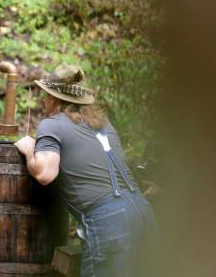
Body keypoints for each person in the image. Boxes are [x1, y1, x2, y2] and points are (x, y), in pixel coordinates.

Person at [14, 65, 157, 277]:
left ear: (54, 99)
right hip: (142, 211)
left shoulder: (52, 125)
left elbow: (45, 174)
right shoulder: (103, 122)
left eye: (46, 95)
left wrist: (28, 151)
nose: (44, 101)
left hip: (109, 220)